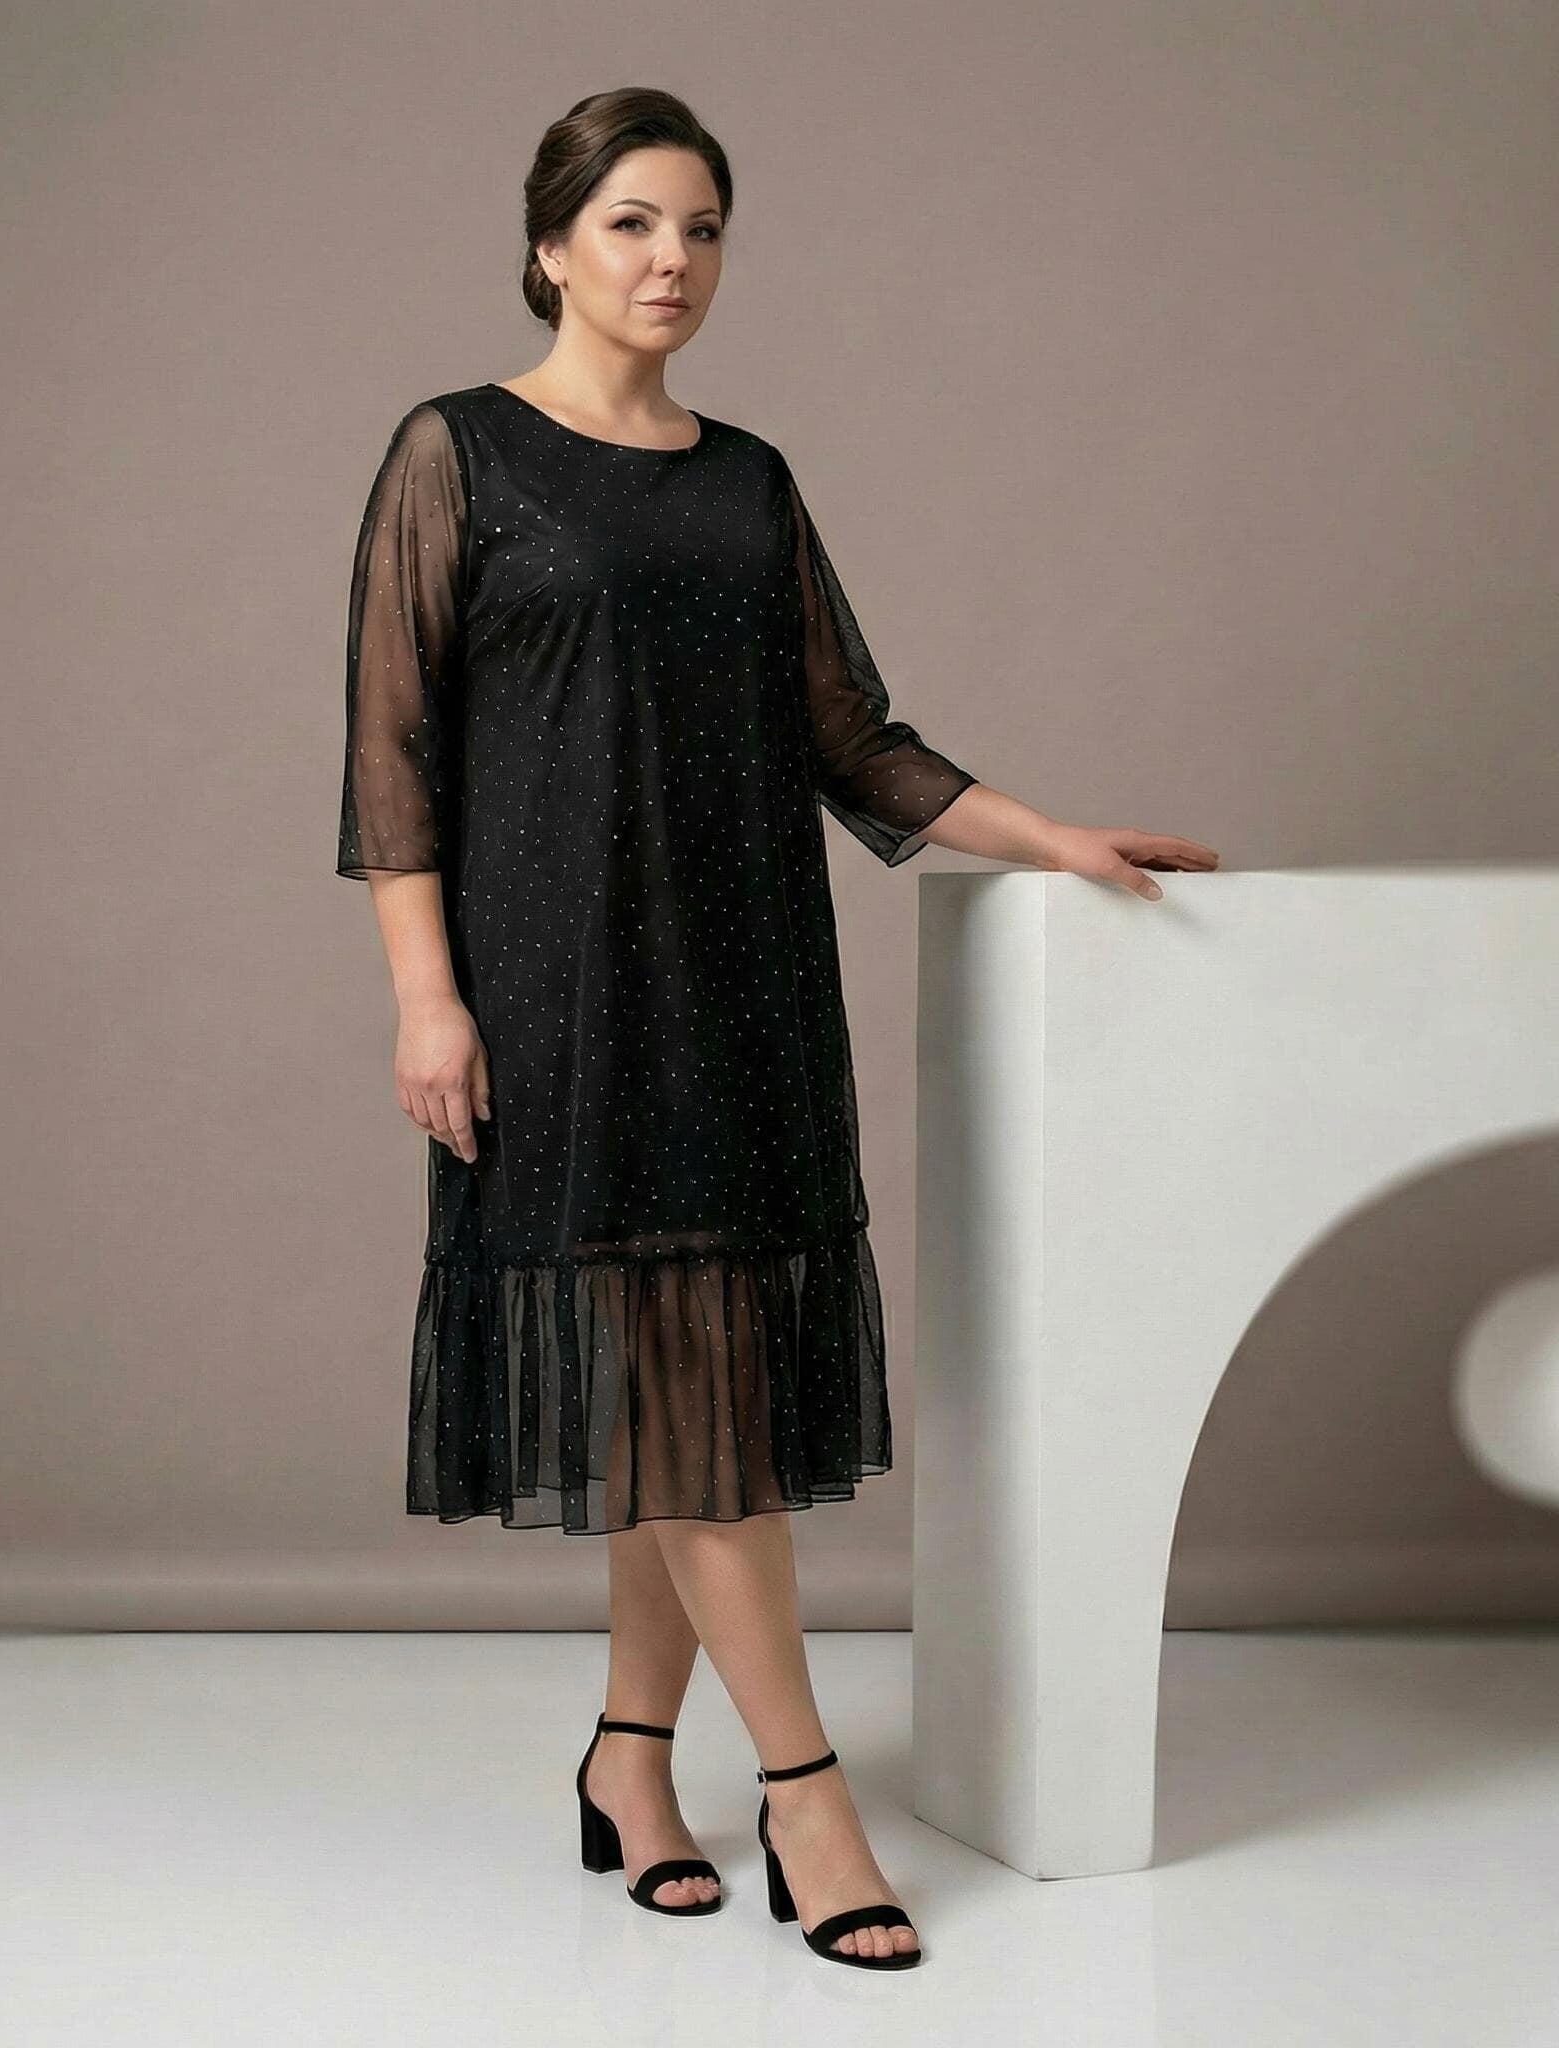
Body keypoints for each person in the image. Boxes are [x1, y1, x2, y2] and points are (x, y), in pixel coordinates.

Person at [336, 87, 1219, 1970]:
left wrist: (1052, 835)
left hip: (744, 982)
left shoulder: (748, 479)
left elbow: (850, 737)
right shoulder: (455, 452)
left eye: (705, 228)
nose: (673, 261)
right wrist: (427, 995)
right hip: (561, 986)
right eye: (634, 223)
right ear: (551, 244)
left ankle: (630, 1757)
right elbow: (393, 749)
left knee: (696, 1378)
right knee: (685, 1386)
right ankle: (806, 1789)